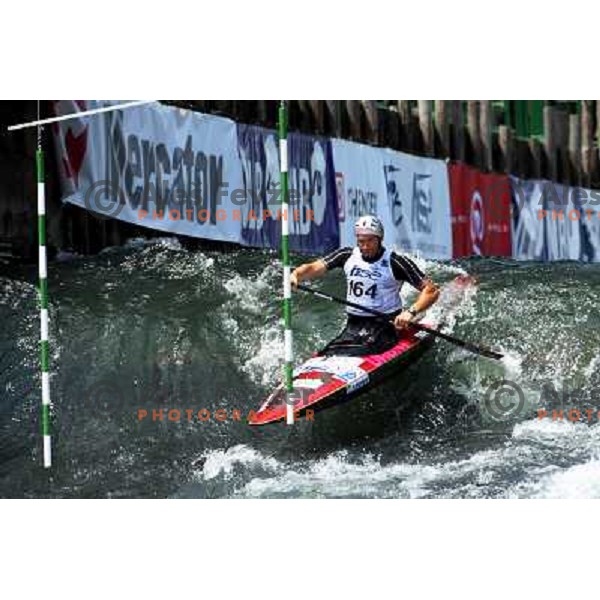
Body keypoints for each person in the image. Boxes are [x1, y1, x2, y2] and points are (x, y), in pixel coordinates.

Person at [290, 215, 440, 356]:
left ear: (379, 239)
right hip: (353, 326)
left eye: (370, 241)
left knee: (358, 350)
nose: (365, 246)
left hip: (385, 327)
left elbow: (431, 290)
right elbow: (314, 267)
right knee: (330, 352)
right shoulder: (347, 255)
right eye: (361, 241)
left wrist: (411, 312)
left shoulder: (395, 262)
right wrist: (296, 275)